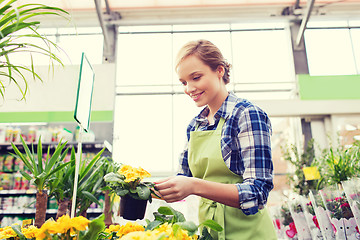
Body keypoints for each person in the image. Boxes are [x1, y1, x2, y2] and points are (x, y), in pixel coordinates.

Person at [154, 39, 277, 240]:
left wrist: (194, 186)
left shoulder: (247, 115)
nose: (189, 88)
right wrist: (134, 186)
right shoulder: (195, 125)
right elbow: (181, 177)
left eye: (196, 77)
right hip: (211, 232)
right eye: (184, 82)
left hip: (250, 234)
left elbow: (258, 192)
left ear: (219, 71)